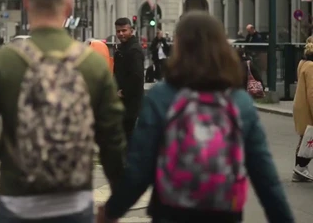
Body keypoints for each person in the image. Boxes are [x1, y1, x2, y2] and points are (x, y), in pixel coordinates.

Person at [100, 12, 294, 223]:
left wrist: (112, 210)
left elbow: (139, 169)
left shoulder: (162, 97)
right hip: (223, 211)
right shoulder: (239, 103)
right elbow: (266, 178)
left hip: (170, 211)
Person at [0, 0, 126, 223]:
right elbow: (113, 141)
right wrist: (117, 202)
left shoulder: (3, 62)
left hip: (17, 199)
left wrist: (12, 155)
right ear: (69, 7)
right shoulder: (93, 64)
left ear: (27, 2)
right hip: (74, 201)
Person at [113, 17, 145, 145]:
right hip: (124, 102)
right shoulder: (123, 48)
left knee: (128, 136)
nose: (121, 34)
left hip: (130, 103)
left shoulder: (134, 50)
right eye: (118, 31)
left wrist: (124, 92)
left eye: (124, 30)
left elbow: (137, 76)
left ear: (131, 30)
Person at [292, 39, 313, 182]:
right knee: (308, 139)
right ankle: (300, 168)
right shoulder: (311, 66)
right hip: (307, 106)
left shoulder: (303, 63)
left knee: (305, 139)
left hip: (301, 105)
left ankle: (299, 168)